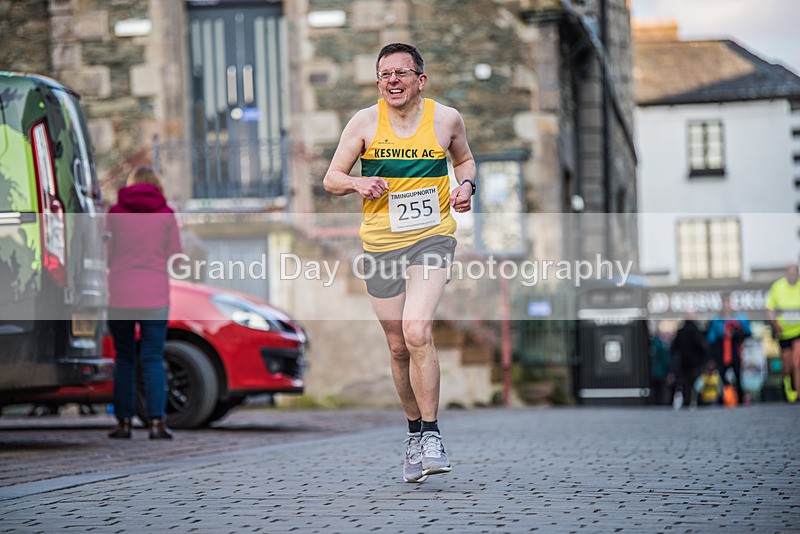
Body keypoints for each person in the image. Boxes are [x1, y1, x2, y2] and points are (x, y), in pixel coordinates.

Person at [323, 43, 476, 482]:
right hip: (382, 244)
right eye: (384, 74)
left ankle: (432, 433)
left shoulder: (446, 119)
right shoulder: (364, 122)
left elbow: (464, 160)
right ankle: (413, 434)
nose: (392, 80)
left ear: (420, 80)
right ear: (377, 82)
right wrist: (357, 182)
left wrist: (466, 188)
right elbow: (331, 178)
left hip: (432, 238)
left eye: (401, 73)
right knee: (396, 344)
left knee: (416, 329)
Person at [106, 166, 183, 439]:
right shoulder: (166, 215)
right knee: (152, 358)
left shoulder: (115, 213)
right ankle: (157, 423)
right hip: (154, 295)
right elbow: (176, 255)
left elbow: (106, 252)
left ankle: (123, 423)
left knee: (124, 359)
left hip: (120, 294)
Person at [706, 294, 751, 405]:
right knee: (722, 377)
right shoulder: (716, 319)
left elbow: (748, 332)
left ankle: (740, 399)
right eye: (725, 303)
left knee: (738, 376)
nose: (727, 305)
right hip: (721, 353)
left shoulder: (739, 318)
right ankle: (725, 398)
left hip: (734, 352)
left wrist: (736, 332)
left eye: (728, 303)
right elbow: (710, 338)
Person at [766, 262, 800, 403]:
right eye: (790, 273)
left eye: (795, 273)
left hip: (798, 331)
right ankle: (789, 387)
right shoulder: (777, 287)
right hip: (784, 333)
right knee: (787, 366)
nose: (793, 276)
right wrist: (775, 324)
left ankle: (798, 393)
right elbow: (770, 308)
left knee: (796, 362)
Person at [670, 311, 709, 408]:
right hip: (695, 365)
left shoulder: (681, 332)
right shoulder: (695, 331)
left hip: (684, 365)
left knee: (686, 389)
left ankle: (687, 406)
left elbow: (674, 349)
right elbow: (702, 347)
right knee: (698, 388)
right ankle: (700, 406)